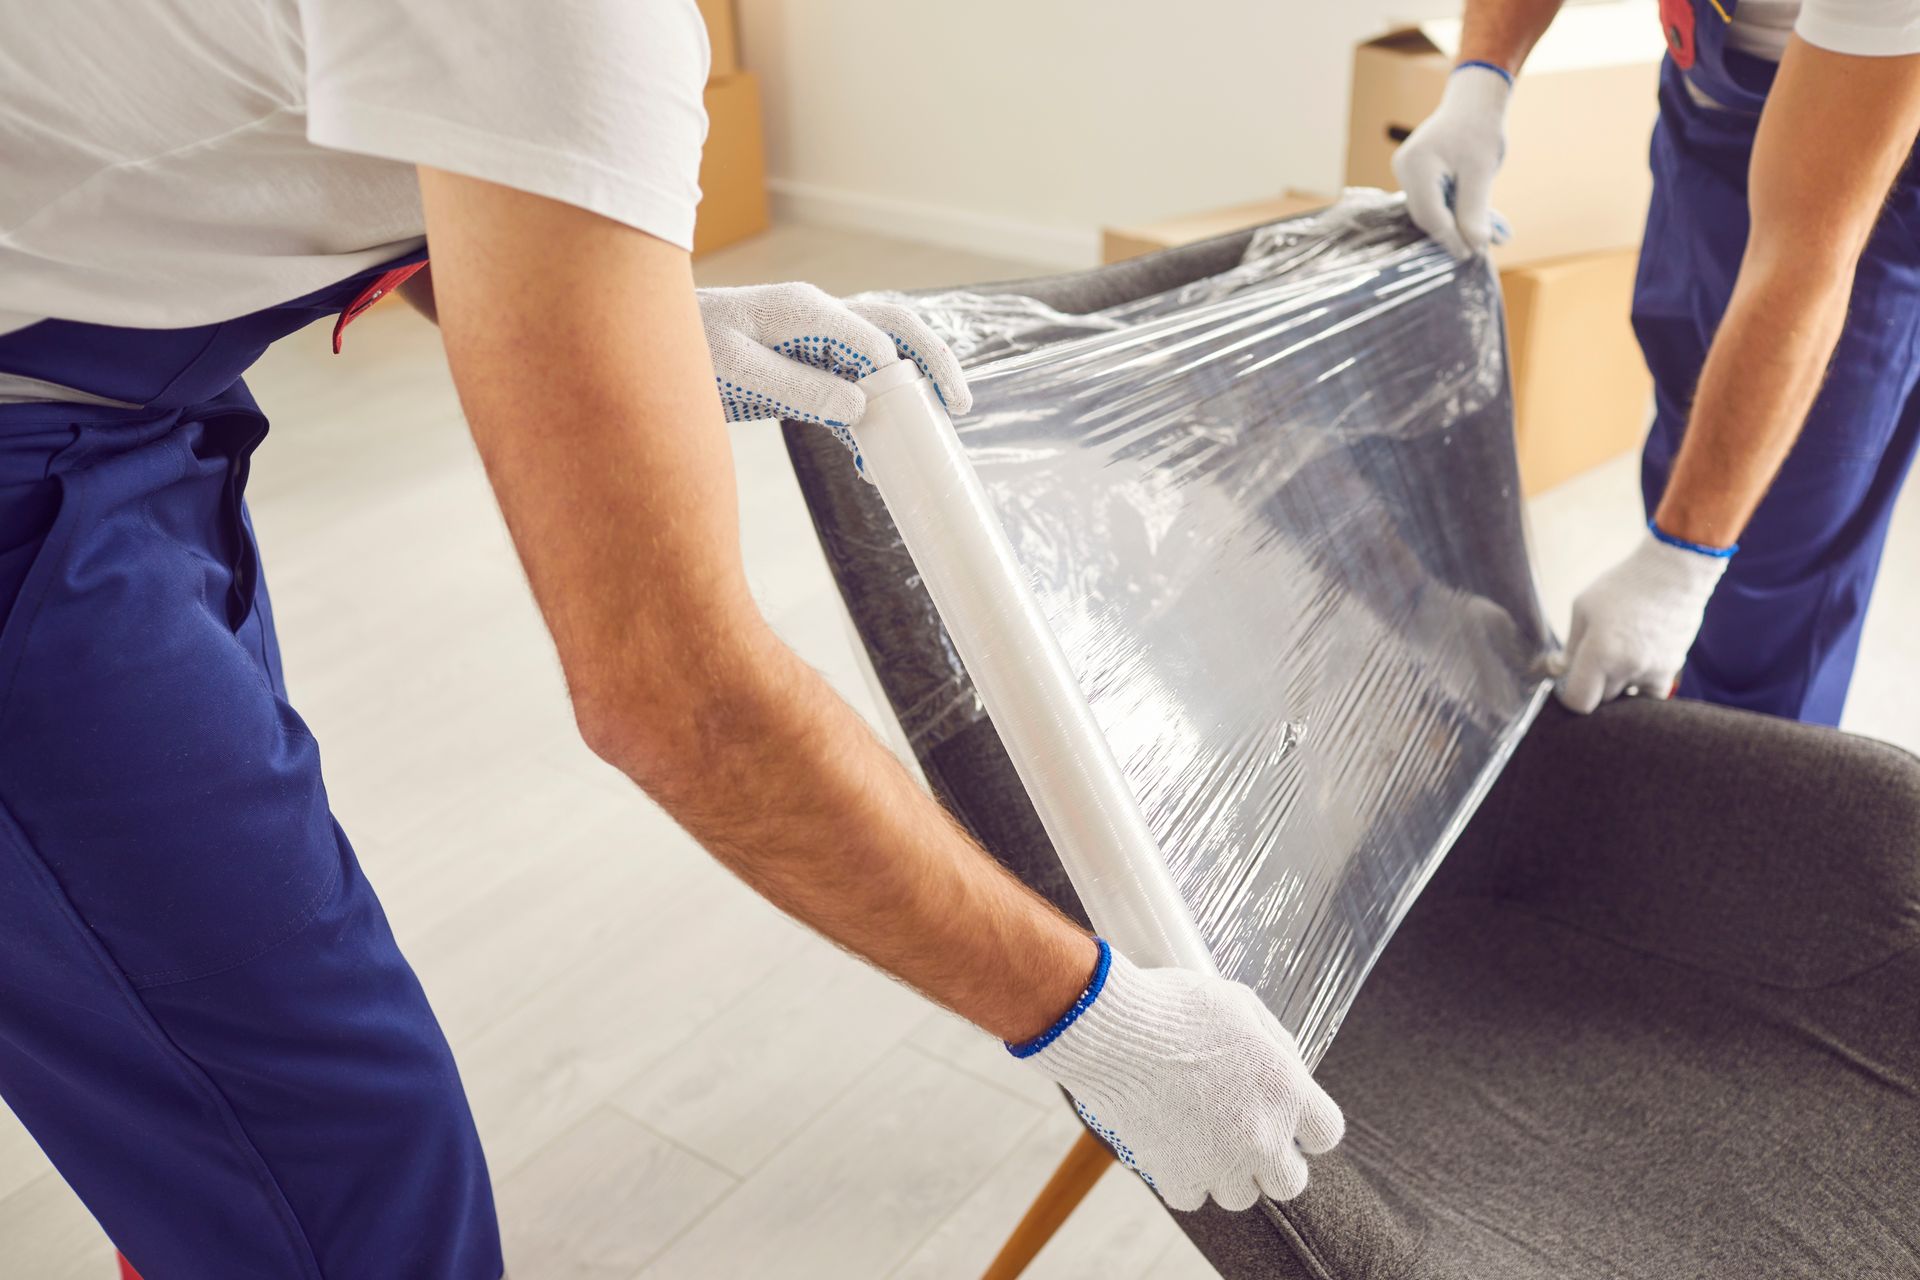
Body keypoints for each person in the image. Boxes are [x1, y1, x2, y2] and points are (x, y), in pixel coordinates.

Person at [0, 2, 1340, 1273]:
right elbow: (678, 699)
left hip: (112, 393)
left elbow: (379, 103)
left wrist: (617, 317)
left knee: (202, 1077)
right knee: (333, 1159)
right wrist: (1097, 1019)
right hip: (39, 444)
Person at [1394, 0, 1920, 724]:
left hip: (1871, 144)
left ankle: (1737, 794)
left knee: (1771, 555)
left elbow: (1804, 254)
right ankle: (1678, 700)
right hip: (1709, 101)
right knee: (1691, 422)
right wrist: (1480, 80)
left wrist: (1684, 561)